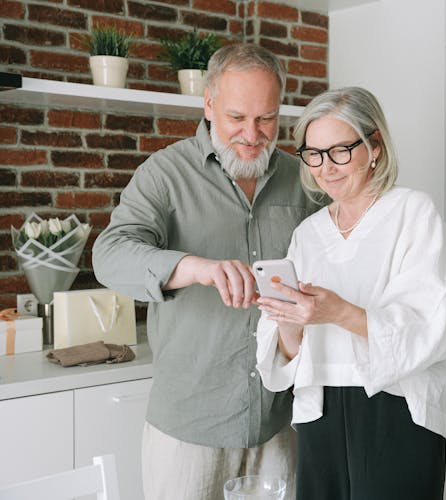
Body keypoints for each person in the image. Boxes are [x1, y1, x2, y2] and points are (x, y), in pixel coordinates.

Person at [92, 43, 321, 500]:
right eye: (237, 117)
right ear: (209, 104)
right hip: (188, 430)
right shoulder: (165, 173)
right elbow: (109, 255)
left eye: (267, 118)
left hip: (281, 423)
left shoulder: (304, 179)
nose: (253, 134)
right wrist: (190, 266)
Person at [254, 86, 446, 500]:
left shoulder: (412, 213)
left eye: (339, 151)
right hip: (320, 411)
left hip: (396, 408)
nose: (325, 168)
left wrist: (337, 312)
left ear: (374, 146)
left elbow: (428, 323)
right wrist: (288, 319)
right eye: (313, 154)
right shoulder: (308, 233)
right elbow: (288, 355)